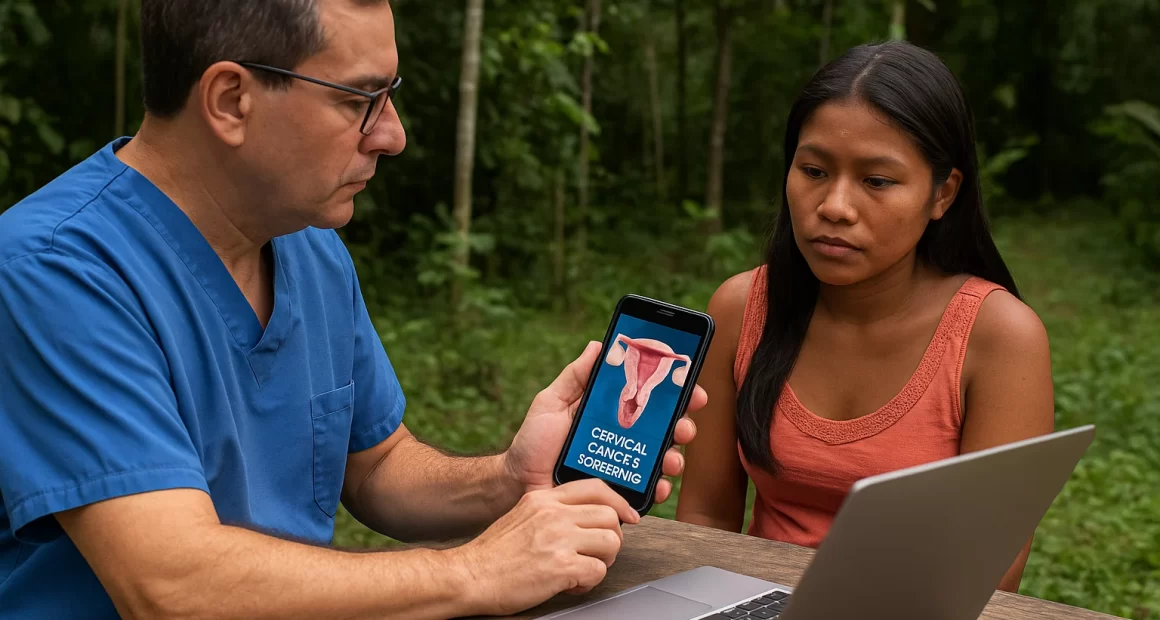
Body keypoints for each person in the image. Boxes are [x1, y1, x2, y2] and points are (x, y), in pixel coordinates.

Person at [0, 1, 703, 618]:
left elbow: (374, 466)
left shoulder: (306, 243)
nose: (391, 134)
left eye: (388, 95)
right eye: (358, 99)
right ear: (230, 100)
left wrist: (507, 479)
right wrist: (476, 571)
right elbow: (172, 587)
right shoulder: (53, 271)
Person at [674, 40, 1054, 593]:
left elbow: (989, 573)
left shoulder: (998, 338)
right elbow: (706, 518)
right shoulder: (741, 309)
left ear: (942, 194)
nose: (834, 206)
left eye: (877, 181)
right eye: (813, 170)